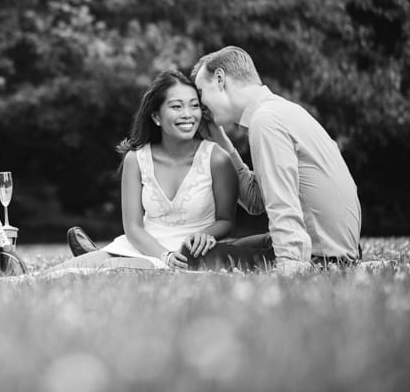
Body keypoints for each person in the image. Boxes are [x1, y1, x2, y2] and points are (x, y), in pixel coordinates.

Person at [52, 70, 274, 273]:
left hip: (188, 254)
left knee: (111, 268)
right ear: (156, 117)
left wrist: (207, 235)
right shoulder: (136, 159)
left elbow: (226, 220)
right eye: (177, 107)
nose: (188, 114)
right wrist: (163, 255)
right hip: (142, 247)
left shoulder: (217, 159)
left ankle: (101, 260)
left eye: (194, 106)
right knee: (56, 273)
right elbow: (133, 227)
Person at [190, 46, 361, 275]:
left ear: (220, 78)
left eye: (201, 93)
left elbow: (282, 203)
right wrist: (221, 141)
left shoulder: (266, 121)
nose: (201, 106)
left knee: (193, 258)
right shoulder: (281, 110)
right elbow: (255, 200)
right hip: (335, 250)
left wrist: (290, 266)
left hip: (318, 257)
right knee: (220, 249)